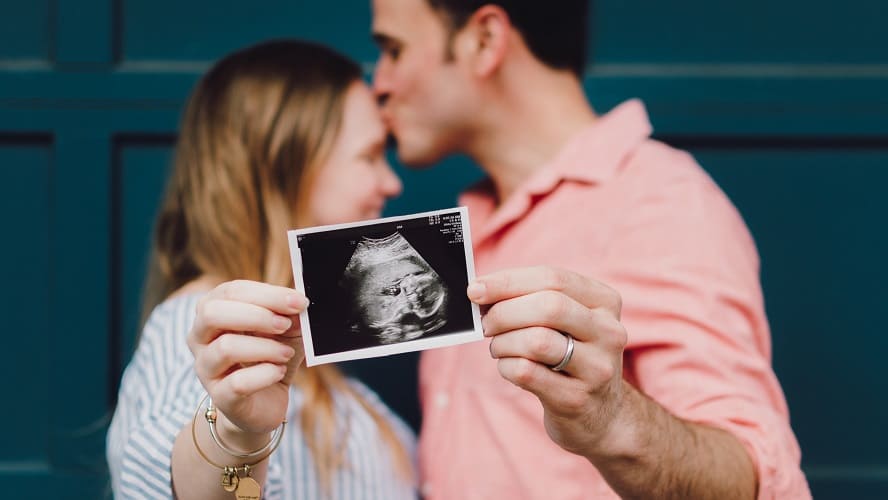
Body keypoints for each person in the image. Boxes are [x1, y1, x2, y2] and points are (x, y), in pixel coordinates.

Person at [370, 0, 811, 498]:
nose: (379, 83)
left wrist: (610, 420)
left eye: (393, 49)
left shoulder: (660, 204)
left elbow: (751, 476)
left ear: (485, 39)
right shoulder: (466, 225)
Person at [106, 40, 417, 500]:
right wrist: (237, 435)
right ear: (284, 165)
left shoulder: (303, 351)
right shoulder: (205, 331)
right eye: (369, 155)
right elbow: (183, 484)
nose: (391, 182)